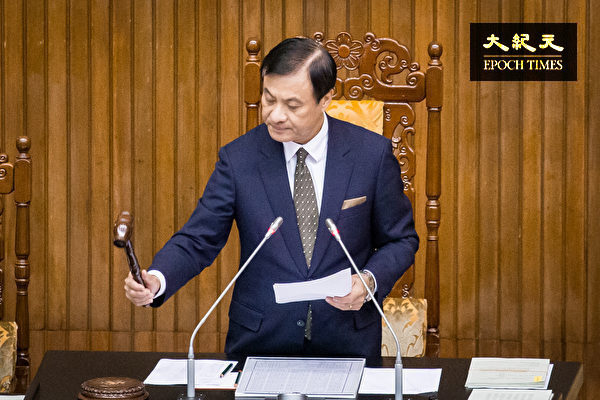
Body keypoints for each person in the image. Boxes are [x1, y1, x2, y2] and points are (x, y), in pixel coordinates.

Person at [124, 37, 418, 358]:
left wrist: (369, 280)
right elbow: (199, 238)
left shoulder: (371, 155)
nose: (275, 115)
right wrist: (158, 278)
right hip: (260, 340)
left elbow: (400, 240)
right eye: (269, 99)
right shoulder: (239, 159)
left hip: (347, 340)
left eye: (292, 105)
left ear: (326, 99)